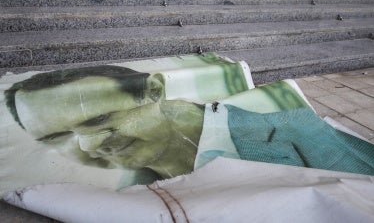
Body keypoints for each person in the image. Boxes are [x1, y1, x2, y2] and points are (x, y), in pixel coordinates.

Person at [4, 66, 374, 187]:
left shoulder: (294, 130)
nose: (87, 147)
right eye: (57, 137)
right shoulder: (128, 192)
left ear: (153, 91)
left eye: (100, 119)